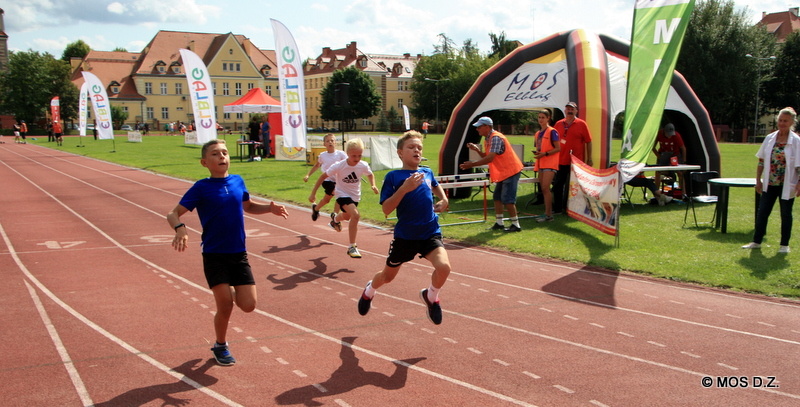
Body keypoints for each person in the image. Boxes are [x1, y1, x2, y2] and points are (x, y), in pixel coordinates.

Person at [166, 139, 289, 366]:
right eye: (215, 154)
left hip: (238, 253)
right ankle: (220, 345)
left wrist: (269, 209)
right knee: (225, 306)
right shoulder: (201, 188)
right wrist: (180, 229)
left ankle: (230, 292)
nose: (222, 156)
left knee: (249, 305)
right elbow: (173, 213)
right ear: (205, 162)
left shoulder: (237, 181)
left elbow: (249, 206)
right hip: (214, 254)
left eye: (224, 152)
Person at [357, 130, 451, 324]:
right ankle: (369, 291)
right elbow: (386, 209)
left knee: (444, 267)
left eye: (419, 147)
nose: (416, 150)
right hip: (406, 237)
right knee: (387, 277)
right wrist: (404, 189)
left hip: (429, 232)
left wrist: (443, 199)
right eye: (411, 147)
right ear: (400, 153)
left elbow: (434, 185)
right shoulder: (394, 176)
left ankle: (431, 297)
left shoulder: (427, 171)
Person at [742, 107, 800, 253]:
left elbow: (799, 164)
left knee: (786, 213)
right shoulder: (770, 139)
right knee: (763, 212)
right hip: (770, 182)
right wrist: (758, 180)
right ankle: (756, 241)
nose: (782, 123)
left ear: (792, 122)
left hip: (787, 183)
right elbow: (761, 161)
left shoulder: (796, 141)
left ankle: (784, 245)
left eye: (785, 121)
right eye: (780, 120)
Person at [310, 138, 378, 258]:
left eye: (359, 155)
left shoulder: (363, 165)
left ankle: (335, 220)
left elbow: (370, 174)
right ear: (347, 154)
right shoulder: (339, 165)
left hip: (355, 195)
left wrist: (373, 185)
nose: (357, 159)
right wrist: (313, 193)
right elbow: (322, 177)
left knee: (347, 216)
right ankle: (352, 246)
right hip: (341, 193)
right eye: (353, 156)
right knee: (356, 215)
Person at [460, 116, 525, 232]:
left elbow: (490, 158)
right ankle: (499, 223)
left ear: (487, 127)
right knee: (497, 197)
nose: (477, 129)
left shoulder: (495, 138)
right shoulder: (488, 139)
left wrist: (472, 165)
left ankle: (516, 225)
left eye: (479, 127)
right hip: (503, 172)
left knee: (507, 199)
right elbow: (487, 156)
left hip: (510, 171)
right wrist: (477, 150)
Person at [552, 101, 593, 213]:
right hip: (561, 160)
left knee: (574, 186)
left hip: (576, 162)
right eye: (568, 109)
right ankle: (557, 208)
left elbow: (589, 141)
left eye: (572, 109)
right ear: (565, 111)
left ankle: (574, 208)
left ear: (576, 111)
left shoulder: (582, 124)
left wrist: (589, 158)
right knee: (558, 185)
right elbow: (553, 141)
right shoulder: (558, 124)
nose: (570, 111)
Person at [305, 133, 347, 221]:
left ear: (336, 143)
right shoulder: (323, 155)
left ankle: (316, 208)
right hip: (327, 180)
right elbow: (317, 165)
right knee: (337, 192)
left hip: (338, 180)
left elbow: (348, 163)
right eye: (328, 141)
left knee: (327, 200)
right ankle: (335, 216)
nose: (330, 142)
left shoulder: (341, 154)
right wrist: (308, 175)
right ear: (324, 144)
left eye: (332, 140)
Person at [532, 109, 561, 222]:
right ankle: (547, 213)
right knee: (543, 189)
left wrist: (546, 153)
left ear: (548, 118)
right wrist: (538, 153)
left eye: (543, 117)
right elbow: (539, 147)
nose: (541, 119)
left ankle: (549, 214)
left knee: (545, 187)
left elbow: (558, 148)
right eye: (539, 117)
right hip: (541, 163)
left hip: (550, 163)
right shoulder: (538, 133)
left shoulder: (552, 131)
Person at [652, 123, 687, 197]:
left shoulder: (676, 136)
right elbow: (652, 147)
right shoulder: (659, 134)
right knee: (658, 173)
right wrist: (658, 156)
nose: (670, 135)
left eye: (671, 133)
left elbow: (683, 148)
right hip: (663, 154)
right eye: (668, 133)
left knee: (680, 173)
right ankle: (657, 194)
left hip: (675, 155)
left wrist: (684, 162)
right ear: (664, 131)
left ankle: (683, 193)